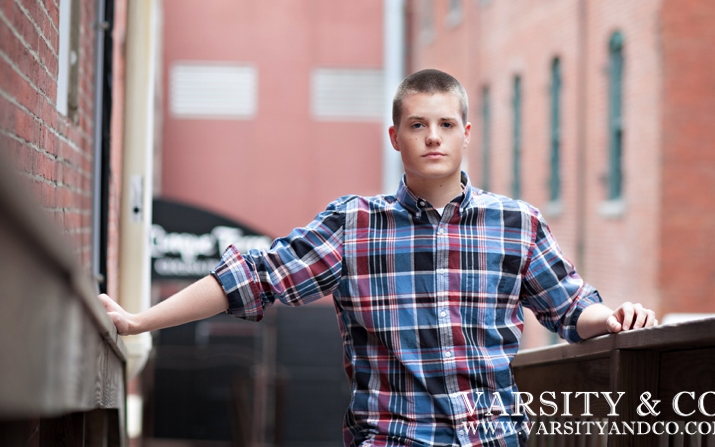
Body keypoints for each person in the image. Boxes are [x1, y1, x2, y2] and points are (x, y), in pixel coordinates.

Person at [100, 69, 658, 447]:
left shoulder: (518, 224)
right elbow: (251, 279)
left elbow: (571, 309)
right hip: (394, 437)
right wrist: (138, 321)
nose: (431, 138)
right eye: (417, 125)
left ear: (466, 133)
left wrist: (612, 319)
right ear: (396, 136)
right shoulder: (354, 225)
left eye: (444, 125)